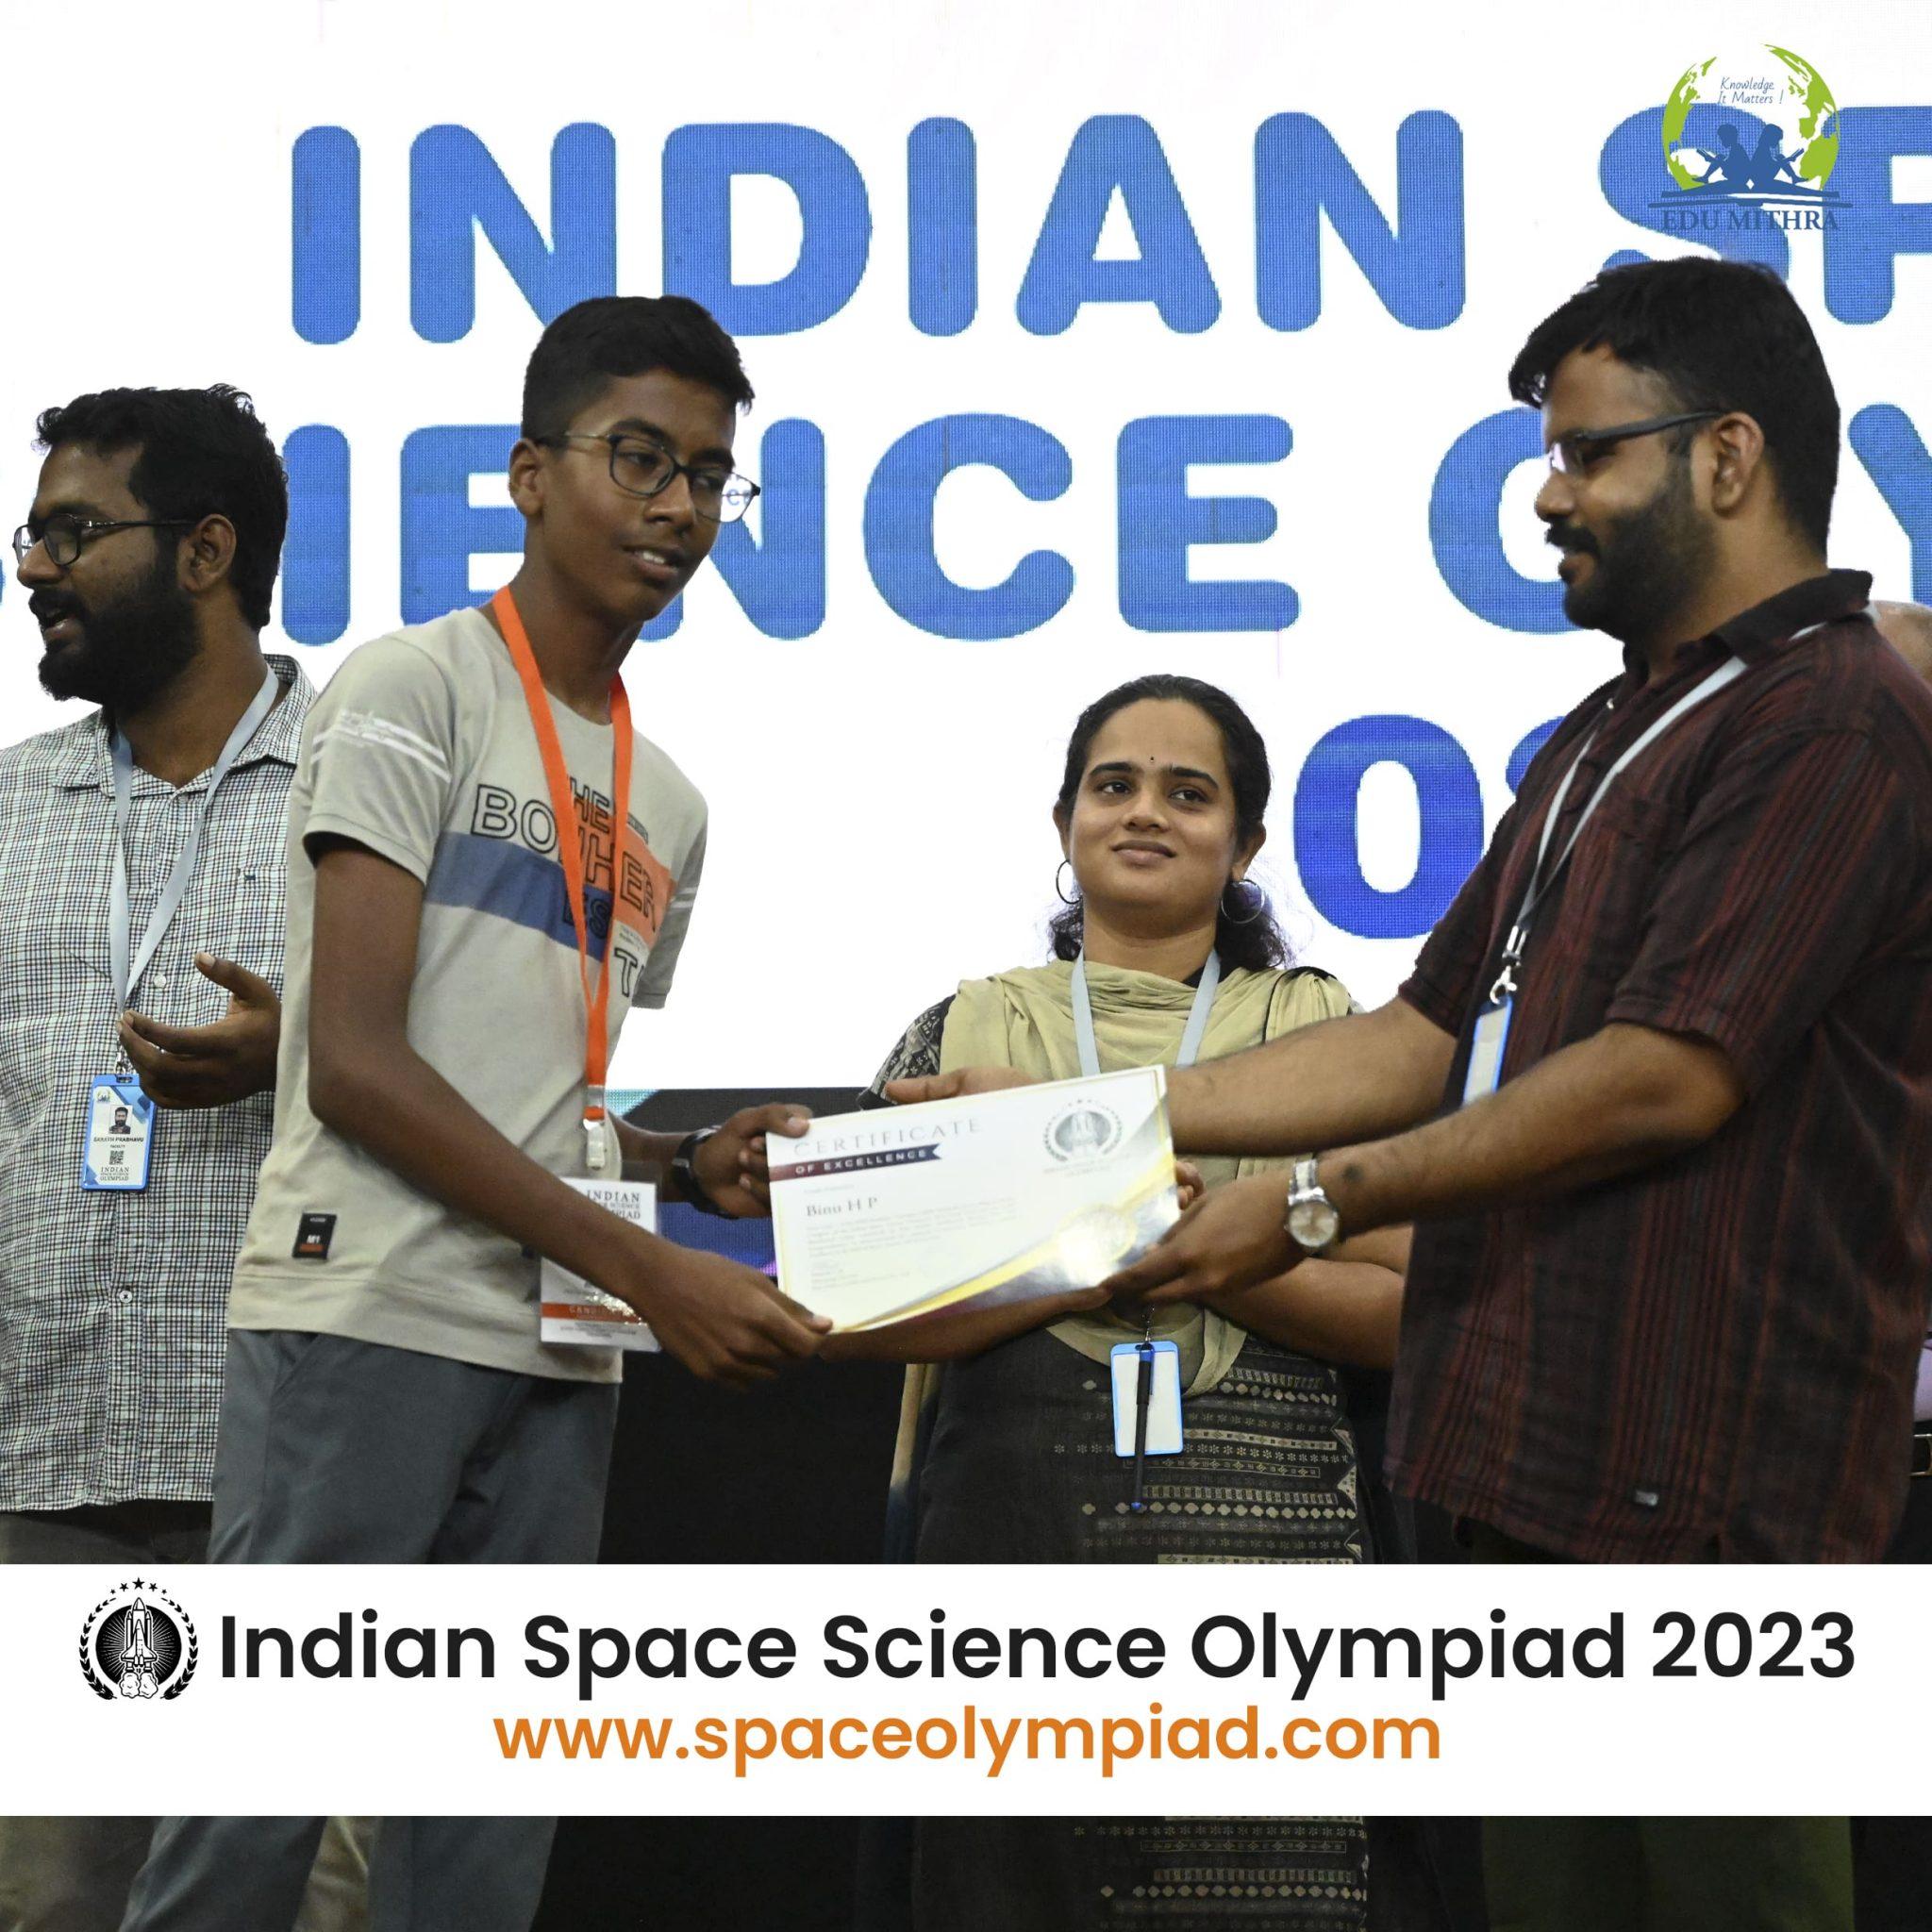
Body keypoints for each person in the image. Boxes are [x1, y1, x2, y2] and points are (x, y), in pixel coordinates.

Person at [900, 258, 1932, 1931]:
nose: (1550, 496)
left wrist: (1316, 1204)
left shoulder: (1834, 722)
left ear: (1729, 456)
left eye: (1590, 453)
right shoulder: (1606, 737)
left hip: (1709, 1504)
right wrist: (1079, 1122)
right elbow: (1420, 1037)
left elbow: (1667, 1078)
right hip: (1531, 1487)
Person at [121, 296, 827, 1932]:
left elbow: (537, 1094)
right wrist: (649, 1266)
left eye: (710, 477)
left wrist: (679, 1166)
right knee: (249, 1829)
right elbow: (359, 1067)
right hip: (368, 1317)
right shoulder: (411, 687)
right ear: (527, 473)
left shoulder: (670, 801)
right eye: (638, 457)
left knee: (480, 1851)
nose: (678, 507)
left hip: (557, 1352)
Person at [845, 674, 1416, 1931]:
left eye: (1188, 792)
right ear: (1065, 823)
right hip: (1013, 1559)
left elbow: (1408, 1307)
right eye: (1114, 785)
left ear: (1246, 845)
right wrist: (1120, 1231)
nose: (1146, 812)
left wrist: (1197, 1246)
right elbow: (863, 1306)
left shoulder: (1326, 1036)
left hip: (1272, 1566)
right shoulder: (963, 1033)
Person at [0, 386, 367, 1932]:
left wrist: (312, 1054)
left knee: (309, 1909)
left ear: (206, 552)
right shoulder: (9, 809)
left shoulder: (367, 787)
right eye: (33, 534)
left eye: (74, 531)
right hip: (40, 1466)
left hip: (305, 1480)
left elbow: (500, 1075)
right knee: (54, 1909)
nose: (36, 566)